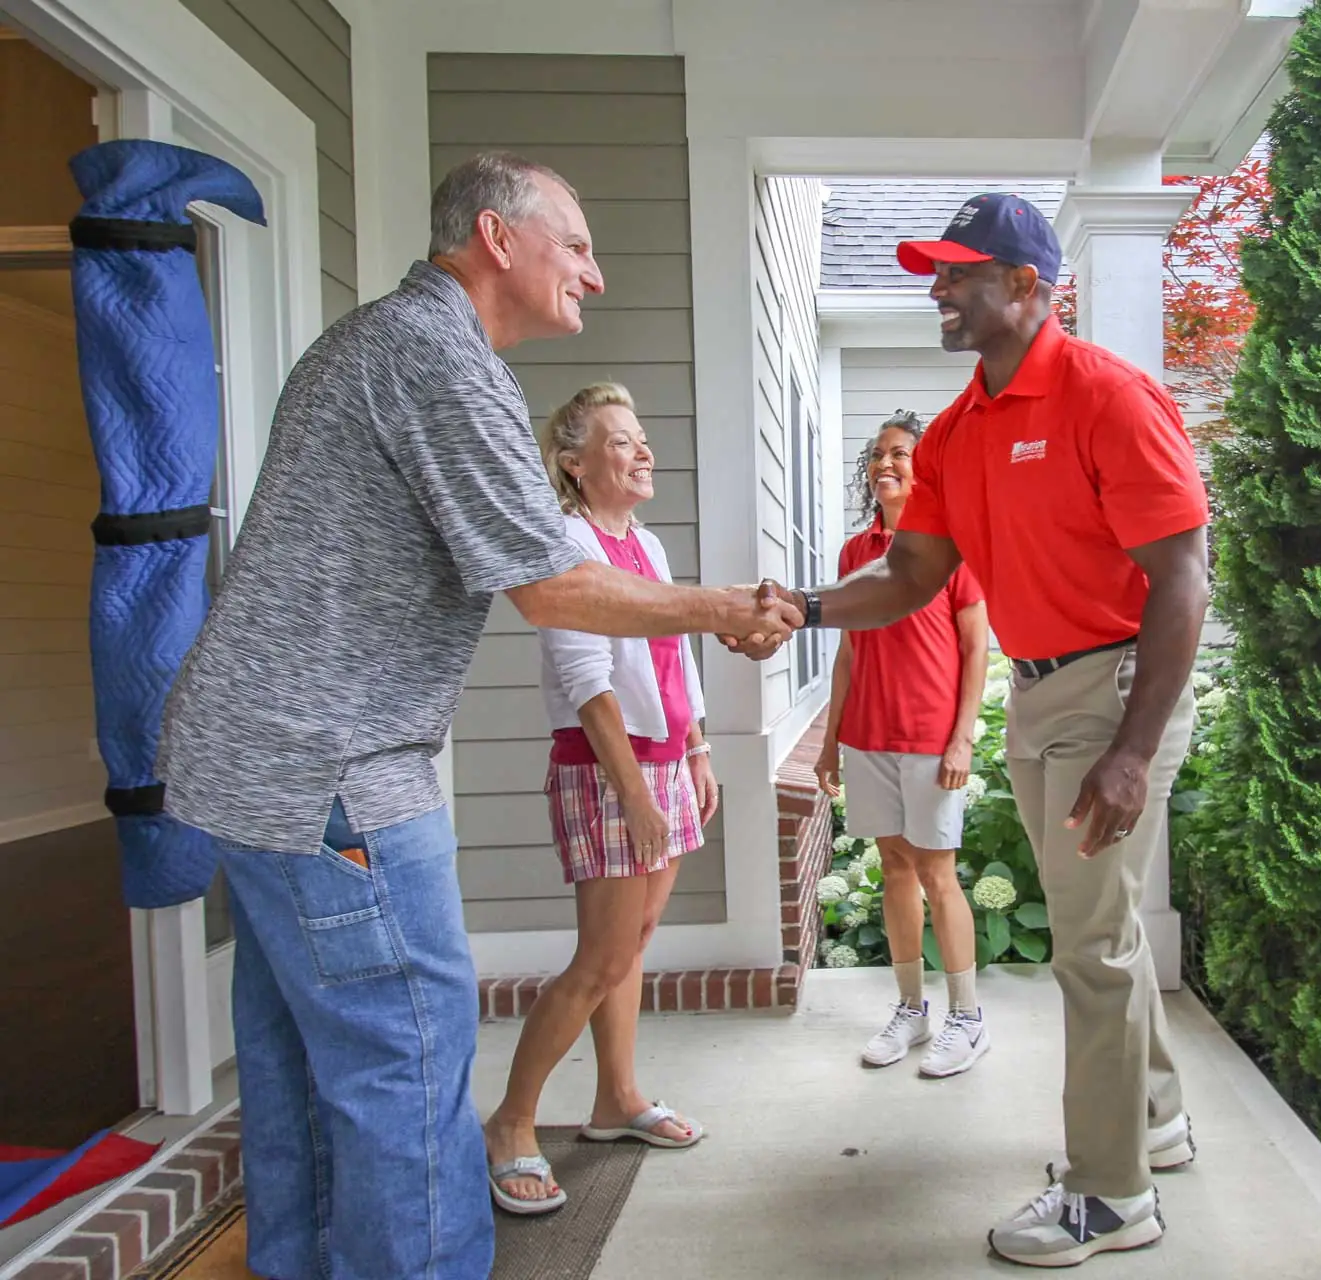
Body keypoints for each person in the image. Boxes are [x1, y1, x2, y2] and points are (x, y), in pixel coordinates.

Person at [157, 152, 798, 1280]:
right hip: (334, 769)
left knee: (301, 1059)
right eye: (577, 246)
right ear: (497, 238)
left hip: (255, 760)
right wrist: (725, 607)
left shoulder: (376, 342)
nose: (595, 275)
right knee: (407, 1050)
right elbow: (553, 586)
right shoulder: (439, 357)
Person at [735, 194, 1212, 1268]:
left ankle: (1111, 1194)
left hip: (1116, 691)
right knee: (1105, 930)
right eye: (935, 273)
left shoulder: (1106, 396)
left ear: (1028, 284)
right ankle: (1155, 1121)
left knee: (1090, 946)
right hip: (1040, 696)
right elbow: (910, 573)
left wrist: (1134, 749)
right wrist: (804, 606)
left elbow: (1184, 577)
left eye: (959, 272)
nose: (939, 289)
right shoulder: (958, 431)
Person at [482, 382, 719, 1214]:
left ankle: (616, 1100)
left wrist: (696, 749)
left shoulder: (645, 545)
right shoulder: (567, 544)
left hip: (665, 763)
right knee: (599, 961)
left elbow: (675, 650)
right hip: (608, 769)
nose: (643, 449)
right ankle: (511, 1122)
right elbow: (586, 682)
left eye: (642, 435)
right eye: (622, 440)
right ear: (575, 465)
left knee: (634, 944)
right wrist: (634, 793)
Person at [816, 409, 992, 1078]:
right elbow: (848, 653)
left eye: (900, 454)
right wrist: (830, 742)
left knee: (937, 873)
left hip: (929, 737)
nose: (885, 463)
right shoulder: (855, 554)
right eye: (878, 454)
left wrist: (962, 739)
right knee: (894, 867)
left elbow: (976, 648)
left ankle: (967, 1018)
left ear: (925, 471)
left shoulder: (952, 546)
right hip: (868, 736)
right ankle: (912, 1010)